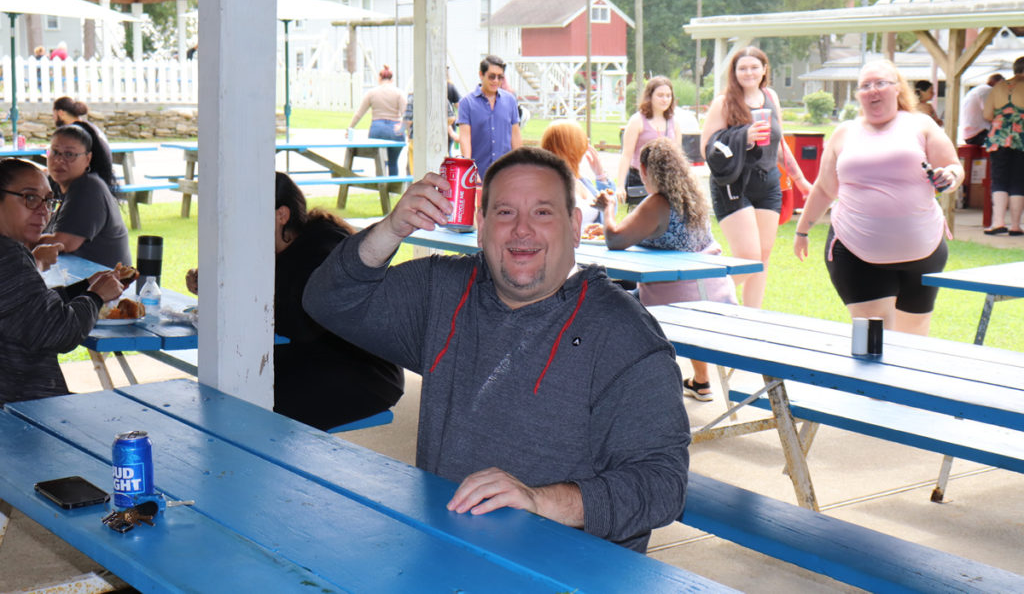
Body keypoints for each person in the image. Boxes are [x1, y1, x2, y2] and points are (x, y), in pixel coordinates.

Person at [302, 147, 690, 553]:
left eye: (542, 212)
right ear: (481, 226)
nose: (522, 230)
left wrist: (539, 501)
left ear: (575, 226)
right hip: (447, 550)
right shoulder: (443, 290)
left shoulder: (623, 333)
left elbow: (662, 484)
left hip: (568, 569)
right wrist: (391, 229)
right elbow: (327, 300)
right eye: (505, 213)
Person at [185, 173, 403, 431]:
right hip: (314, 356)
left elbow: (301, 323)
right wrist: (214, 283)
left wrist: (236, 297)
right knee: (231, 389)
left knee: (252, 408)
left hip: (366, 373)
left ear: (282, 215)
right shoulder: (278, 249)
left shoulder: (322, 249)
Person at [793, 60, 962, 335]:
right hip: (856, 251)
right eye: (865, 86)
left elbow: (953, 167)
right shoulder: (844, 133)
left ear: (897, 89)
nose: (873, 90)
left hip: (923, 251)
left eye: (881, 83)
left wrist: (951, 176)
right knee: (873, 337)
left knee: (914, 338)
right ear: (858, 95)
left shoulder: (921, 124)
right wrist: (802, 231)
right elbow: (824, 188)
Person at [597, 139, 736, 402]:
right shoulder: (690, 200)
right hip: (712, 293)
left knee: (609, 308)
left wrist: (607, 210)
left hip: (674, 301)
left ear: (645, 170)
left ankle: (624, 387)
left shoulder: (658, 203)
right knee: (634, 300)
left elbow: (615, 239)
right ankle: (701, 381)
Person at [0, 158, 126, 405]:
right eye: (30, 198)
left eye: (48, 201)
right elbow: (60, 332)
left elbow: (29, 309)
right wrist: (95, 297)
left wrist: (84, 289)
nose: (43, 211)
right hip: (19, 407)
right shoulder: (9, 257)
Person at [700, 46, 811, 309]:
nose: (748, 73)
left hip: (768, 181)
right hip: (733, 184)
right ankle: (706, 295)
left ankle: (752, 318)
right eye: (742, 68)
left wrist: (800, 180)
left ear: (764, 70)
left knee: (763, 256)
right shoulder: (724, 102)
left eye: (754, 67)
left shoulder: (770, 97)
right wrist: (743, 137)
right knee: (748, 257)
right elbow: (707, 149)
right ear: (734, 72)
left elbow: (779, 144)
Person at [35, 124, 131, 269]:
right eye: (54, 152)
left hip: (104, 281)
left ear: (87, 159)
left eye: (69, 154)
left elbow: (63, 243)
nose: (59, 160)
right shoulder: (58, 184)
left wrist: (16, 242)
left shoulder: (88, 187)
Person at [615, 76, 683, 207]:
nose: (665, 99)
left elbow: (679, 157)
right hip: (641, 179)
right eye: (660, 95)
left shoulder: (674, 122)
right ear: (650, 96)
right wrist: (620, 186)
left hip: (666, 180)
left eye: (668, 96)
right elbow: (626, 155)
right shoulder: (637, 121)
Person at [458, 55, 522, 179]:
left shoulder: (510, 101)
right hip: (478, 173)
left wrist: (519, 166)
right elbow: (465, 138)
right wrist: (469, 170)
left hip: (505, 173)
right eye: (492, 76)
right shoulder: (467, 103)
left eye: (500, 77)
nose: (496, 81)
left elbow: (515, 136)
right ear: (481, 75)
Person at [540, 121, 614, 226]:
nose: (586, 144)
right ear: (570, 148)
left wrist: (600, 176)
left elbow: (610, 212)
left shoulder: (582, 181)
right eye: (581, 140)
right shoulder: (548, 187)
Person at [982, 57, 1024, 235]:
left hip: (999, 136)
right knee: (1018, 179)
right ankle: (1015, 225)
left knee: (999, 178)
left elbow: (987, 115)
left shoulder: (998, 87)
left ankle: (997, 222)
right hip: (1021, 136)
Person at [349, 65, 407, 176]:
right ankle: (394, 185)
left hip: (377, 129)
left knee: (380, 161)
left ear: (379, 78)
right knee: (393, 162)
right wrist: (403, 129)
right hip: (394, 129)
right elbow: (406, 114)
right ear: (392, 79)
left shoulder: (371, 93)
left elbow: (359, 113)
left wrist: (350, 128)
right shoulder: (399, 93)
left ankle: (381, 183)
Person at [960, 74, 1002, 146]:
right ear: (994, 82)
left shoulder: (979, 90)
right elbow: (990, 115)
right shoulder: (987, 90)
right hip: (977, 133)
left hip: (970, 134)